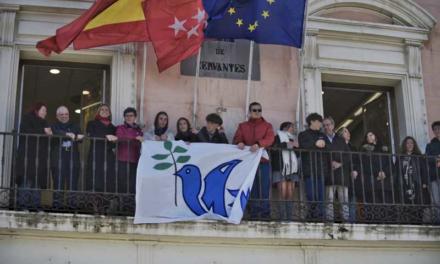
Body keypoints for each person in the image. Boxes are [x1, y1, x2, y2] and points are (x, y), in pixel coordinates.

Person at [233, 102, 275, 219]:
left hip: (262, 162)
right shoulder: (242, 126)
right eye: (254, 110)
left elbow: (270, 139)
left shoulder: (267, 126)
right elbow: (237, 137)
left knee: (264, 188)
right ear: (249, 112)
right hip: (248, 162)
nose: (257, 112)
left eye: (259, 110)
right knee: (251, 188)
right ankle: (254, 214)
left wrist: (258, 144)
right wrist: (239, 142)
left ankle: (265, 214)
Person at [16, 102, 52, 210]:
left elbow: (49, 134)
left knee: (37, 182)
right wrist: (43, 131)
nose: (45, 113)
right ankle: (23, 205)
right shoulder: (27, 118)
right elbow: (26, 131)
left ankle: (35, 206)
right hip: (27, 156)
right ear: (37, 110)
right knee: (27, 181)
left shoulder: (44, 122)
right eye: (44, 110)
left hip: (40, 158)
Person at [323, 117, 357, 222]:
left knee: (344, 200)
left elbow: (348, 155)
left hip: (342, 174)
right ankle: (329, 221)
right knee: (329, 200)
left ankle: (345, 221)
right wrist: (330, 162)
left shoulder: (340, 139)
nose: (326, 127)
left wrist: (339, 163)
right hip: (329, 174)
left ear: (333, 126)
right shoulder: (322, 139)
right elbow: (321, 156)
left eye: (328, 125)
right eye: (324, 125)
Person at [50, 106, 83, 210]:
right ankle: (57, 207)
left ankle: (71, 207)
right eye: (61, 114)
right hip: (57, 160)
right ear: (57, 116)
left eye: (66, 114)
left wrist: (77, 136)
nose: (64, 116)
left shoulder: (75, 125)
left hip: (73, 160)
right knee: (57, 184)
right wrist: (67, 134)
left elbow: (80, 137)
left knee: (72, 184)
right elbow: (54, 133)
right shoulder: (53, 126)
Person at [298, 113, 328, 220]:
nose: (320, 124)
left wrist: (323, 144)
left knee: (321, 195)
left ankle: (320, 216)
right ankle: (313, 215)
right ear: (312, 122)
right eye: (319, 122)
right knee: (311, 194)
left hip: (321, 169)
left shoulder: (323, 136)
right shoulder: (303, 134)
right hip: (309, 168)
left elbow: (328, 149)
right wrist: (315, 144)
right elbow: (303, 147)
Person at [395, 136, 429, 223]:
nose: (410, 145)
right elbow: (397, 172)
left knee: (418, 204)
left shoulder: (419, 156)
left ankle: (419, 222)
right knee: (407, 205)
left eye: (411, 143)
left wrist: (424, 182)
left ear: (414, 145)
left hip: (417, 183)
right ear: (404, 145)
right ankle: (410, 222)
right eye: (408, 143)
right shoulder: (400, 158)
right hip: (405, 185)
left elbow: (424, 170)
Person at [85, 104, 117, 196]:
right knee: (95, 179)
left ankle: (105, 206)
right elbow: (91, 135)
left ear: (109, 113)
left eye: (106, 110)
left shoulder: (113, 127)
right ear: (98, 112)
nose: (104, 111)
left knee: (107, 180)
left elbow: (114, 142)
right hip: (96, 154)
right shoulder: (91, 123)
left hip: (108, 155)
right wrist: (105, 136)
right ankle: (94, 207)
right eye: (102, 109)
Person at [115, 107, 143, 212]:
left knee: (132, 185)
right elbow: (120, 138)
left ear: (135, 117)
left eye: (131, 116)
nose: (129, 117)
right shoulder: (120, 128)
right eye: (126, 116)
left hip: (135, 160)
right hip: (122, 159)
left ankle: (130, 207)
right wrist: (134, 139)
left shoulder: (139, 130)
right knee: (122, 184)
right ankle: (121, 207)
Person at [271, 122, 298, 220]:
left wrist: (295, 146)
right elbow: (273, 149)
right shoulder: (276, 137)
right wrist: (287, 144)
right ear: (284, 128)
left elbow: (297, 154)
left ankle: (289, 218)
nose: (293, 129)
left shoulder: (294, 139)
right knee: (282, 194)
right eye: (291, 127)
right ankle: (283, 218)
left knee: (290, 194)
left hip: (292, 169)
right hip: (280, 168)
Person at [425, 121, 440, 207]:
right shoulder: (430, 145)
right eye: (435, 129)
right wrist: (437, 159)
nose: (437, 131)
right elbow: (427, 158)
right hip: (434, 176)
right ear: (433, 131)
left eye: (439, 128)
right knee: (436, 202)